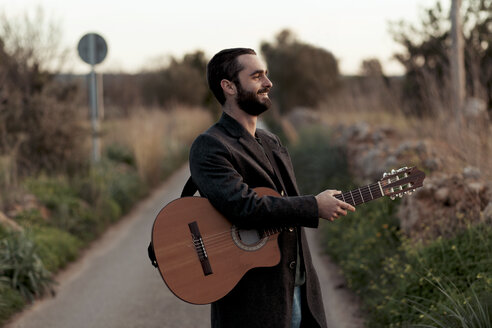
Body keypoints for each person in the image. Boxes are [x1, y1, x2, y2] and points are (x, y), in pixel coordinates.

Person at [188, 48, 355, 328]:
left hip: (300, 287)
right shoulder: (211, 145)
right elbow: (244, 207)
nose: (268, 83)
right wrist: (313, 206)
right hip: (254, 301)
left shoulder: (271, 142)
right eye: (256, 76)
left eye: (266, 74)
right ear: (228, 87)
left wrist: (312, 206)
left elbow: (285, 208)